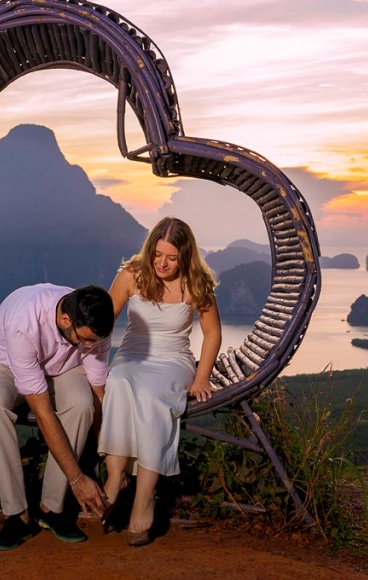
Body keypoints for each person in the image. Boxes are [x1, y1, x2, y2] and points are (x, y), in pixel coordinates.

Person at [98, 217, 221, 546]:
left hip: (173, 360)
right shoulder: (131, 275)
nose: (162, 263)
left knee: (153, 396)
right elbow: (102, 321)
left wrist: (202, 375)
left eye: (171, 257)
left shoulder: (196, 284)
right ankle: (115, 478)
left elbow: (212, 334)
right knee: (119, 382)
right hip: (132, 355)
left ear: (185, 256)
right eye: (157, 254)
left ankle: (144, 497)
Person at [0, 282, 115, 551]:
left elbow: (98, 393)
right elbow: (43, 412)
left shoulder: (96, 329)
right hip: (3, 365)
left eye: (93, 341)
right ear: (65, 319)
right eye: (83, 339)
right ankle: (18, 515)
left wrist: (109, 454)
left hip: (61, 368)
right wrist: (78, 479)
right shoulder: (24, 323)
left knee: (82, 405)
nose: (89, 345)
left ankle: (51, 507)